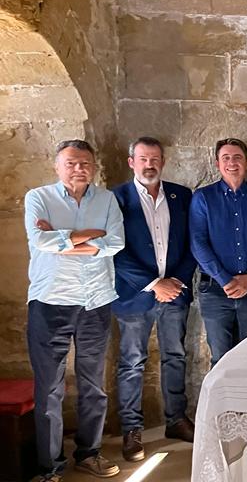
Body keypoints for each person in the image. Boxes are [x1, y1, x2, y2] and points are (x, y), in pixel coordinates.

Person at [24, 140, 125, 480]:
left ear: (93, 167)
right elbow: (42, 242)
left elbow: (116, 242)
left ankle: (89, 452)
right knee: (50, 388)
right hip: (50, 302)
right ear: (57, 166)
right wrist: (90, 236)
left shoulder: (107, 199)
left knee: (93, 384)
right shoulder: (38, 198)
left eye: (85, 162)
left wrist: (65, 241)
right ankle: (50, 466)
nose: (78, 168)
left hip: (95, 302)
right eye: (71, 162)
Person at [112, 137, 197, 463]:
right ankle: (132, 429)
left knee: (175, 356)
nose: (150, 164)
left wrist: (176, 280)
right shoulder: (116, 198)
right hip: (135, 296)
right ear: (132, 161)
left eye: (155, 158)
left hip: (174, 292)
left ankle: (176, 419)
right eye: (143, 158)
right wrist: (153, 283)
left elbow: (193, 242)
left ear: (163, 161)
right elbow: (114, 251)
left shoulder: (180, 195)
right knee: (132, 362)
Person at [190, 138, 247, 366]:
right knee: (220, 358)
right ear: (218, 164)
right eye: (225, 158)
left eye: (237, 157)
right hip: (216, 290)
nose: (232, 163)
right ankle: (222, 402)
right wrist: (225, 279)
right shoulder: (203, 198)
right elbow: (198, 243)